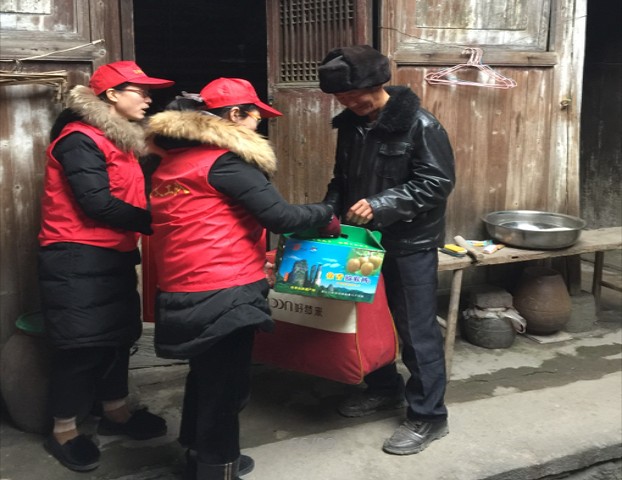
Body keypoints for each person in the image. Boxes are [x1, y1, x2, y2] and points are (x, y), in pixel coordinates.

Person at [146, 77, 338, 480]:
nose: (257, 126)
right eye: (254, 117)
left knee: (205, 375)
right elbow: (280, 217)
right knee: (225, 387)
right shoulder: (225, 162)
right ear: (235, 114)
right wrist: (326, 212)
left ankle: (197, 453)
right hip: (225, 289)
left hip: (181, 286)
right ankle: (218, 468)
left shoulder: (171, 161)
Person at [317, 45, 456, 455]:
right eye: (341, 98)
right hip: (363, 241)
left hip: (410, 244)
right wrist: (327, 214)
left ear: (377, 84)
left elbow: (436, 183)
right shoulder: (351, 126)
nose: (348, 103)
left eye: (353, 95)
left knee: (416, 330)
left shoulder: (421, 125)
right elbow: (341, 180)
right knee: (367, 320)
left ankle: (430, 415)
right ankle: (383, 387)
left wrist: (381, 204)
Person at [37, 60, 174, 472]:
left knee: (117, 337)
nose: (148, 99)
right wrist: (159, 222)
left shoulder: (121, 140)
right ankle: (63, 429)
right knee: (82, 344)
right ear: (112, 94)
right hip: (75, 256)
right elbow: (96, 203)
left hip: (113, 251)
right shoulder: (79, 139)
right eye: (140, 91)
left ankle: (116, 412)